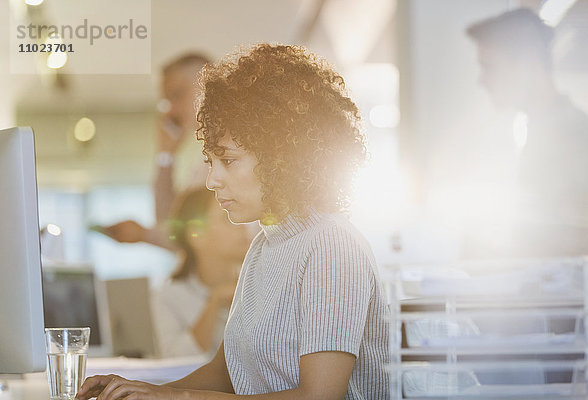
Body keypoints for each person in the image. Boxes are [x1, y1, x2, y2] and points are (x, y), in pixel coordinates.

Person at [76, 43, 389, 399]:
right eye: (210, 162)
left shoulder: (332, 245)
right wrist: (141, 391)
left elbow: (319, 397)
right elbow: (225, 374)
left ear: (281, 157)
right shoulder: (263, 246)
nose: (212, 181)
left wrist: (174, 398)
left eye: (228, 160)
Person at [466, 8, 588, 258]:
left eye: (489, 66)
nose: (481, 80)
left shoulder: (570, 135)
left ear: (527, 64)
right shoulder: (542, 131)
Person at [100, 53, 212, 249]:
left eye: (176, 95)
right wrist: (165, 155)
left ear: (208, 82)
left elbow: (186, 237)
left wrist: (143, 234)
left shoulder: (240, 149)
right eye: (166, 101)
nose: (170, 111)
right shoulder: (205, 162)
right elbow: (173, 227)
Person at [152, 188, 251, 358]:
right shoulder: (168, 295)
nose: (242, 227)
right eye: (227, 219)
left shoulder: (259, 283)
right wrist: (215, 301)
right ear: (197, 235)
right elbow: (174, 361)